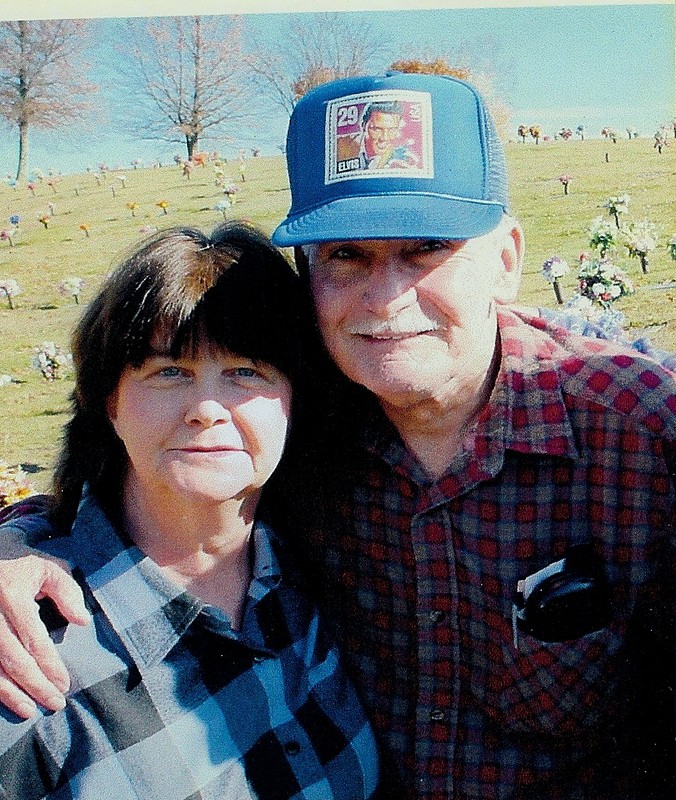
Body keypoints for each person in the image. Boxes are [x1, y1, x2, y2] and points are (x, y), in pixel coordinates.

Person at [0, 72, 674, 799]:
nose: (385, 298)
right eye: (346, 255)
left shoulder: (638, 432)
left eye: (424, 248)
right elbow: (163, 462)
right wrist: (23, 546)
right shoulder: (304, 421)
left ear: (506, 259)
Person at [0, 222, 380, 799]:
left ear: (294, 401)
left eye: (246, 371)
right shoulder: (27, 650)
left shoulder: (329, 559)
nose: (206, 408)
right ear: (108, 402)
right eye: (168, 372)